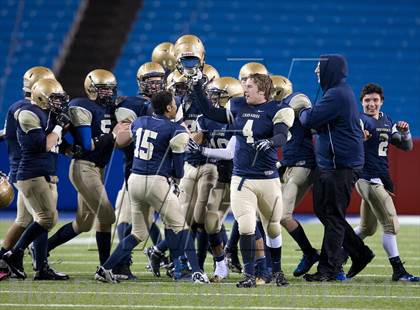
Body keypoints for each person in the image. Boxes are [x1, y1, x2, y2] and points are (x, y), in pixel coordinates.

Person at [94, 90, 209, 284]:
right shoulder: (176, 130)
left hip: (134, 179)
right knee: (181, 226)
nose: (176, 106)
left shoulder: (140, 122)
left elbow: (125, 141)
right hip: (155, 181)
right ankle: (197, 272)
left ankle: (105, 268)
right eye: (174, 104)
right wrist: (174, 180)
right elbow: (179, 170)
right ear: (169, 108)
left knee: (138, 233)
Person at [193, 73, 294, 288]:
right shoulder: (238, 105)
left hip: (268, 179)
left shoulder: (277, 110)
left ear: (262, 91)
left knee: (273, 227)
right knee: (246, 225)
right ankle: (249, 274)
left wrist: (270, 141)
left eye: (248, 86)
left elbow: (282, 135)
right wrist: (196, 89)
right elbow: (210, 111)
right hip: (242, 178)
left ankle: (276, 270)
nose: (244, 89)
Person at [299, 54, 374, 281]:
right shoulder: (337, 92)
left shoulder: (336, 94)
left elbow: (309, 120)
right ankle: (359, 253)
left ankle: (328, 270)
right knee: (325, 212)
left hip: (340, 165)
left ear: (330, 70)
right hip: (332, 163)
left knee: (332, 215)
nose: (315, 72)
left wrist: (301, 109)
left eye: (319, 68)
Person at [46, 69, 125, 268]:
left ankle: (43, 248)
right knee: (107, 215)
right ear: (92, 89)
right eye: (104, 90)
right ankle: (105, 266)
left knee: (83, 224)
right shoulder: (81, 106)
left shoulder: (109, 109)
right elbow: (87, 144)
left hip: (98, 169)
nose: (109, 94)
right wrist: (67, 149)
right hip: (84, 168)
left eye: (111, 90)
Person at [2, 78, 70, 280]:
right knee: (48, 218)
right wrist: (59, 127)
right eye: (54, 99)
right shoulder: (27, 113)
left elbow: (55, 142)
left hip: (39, 172)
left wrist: (67, 145)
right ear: (41, 96)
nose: (58, 103)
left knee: (27, 220)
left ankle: (32, 265)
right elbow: (45, 144)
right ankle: (15, 254)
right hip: (32, 173)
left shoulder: (44, 113)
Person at [354, 83, 419, 282]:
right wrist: (357, 140)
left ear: (381, 102)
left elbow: (406, 146)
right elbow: (345, 146)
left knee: (366, 229)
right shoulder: (358, 121)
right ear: (362, 102)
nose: (371, 104)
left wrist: (405, 132)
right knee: (391, 226)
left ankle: (335, 257)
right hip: (367, 178)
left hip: (378, 178)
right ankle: (398, 270)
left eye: (375, 100)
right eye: (367, 100)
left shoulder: (386, 119)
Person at [0, 67, 55, 267]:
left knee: (23, 220)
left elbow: (5, 133)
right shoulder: (29, 110)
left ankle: (2, 258)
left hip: (23, 168)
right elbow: (41, 142)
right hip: (30, 169)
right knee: (43, 218)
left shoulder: (20, 106)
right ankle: (39, 265)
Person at [271, 75, 320, 277]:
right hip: (289, 164)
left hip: (303, 164)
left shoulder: (296, 100)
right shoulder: (277, 108)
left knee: (282, 215)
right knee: (271, 214)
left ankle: (309, 253)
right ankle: (269, 263)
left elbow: (313, 123)